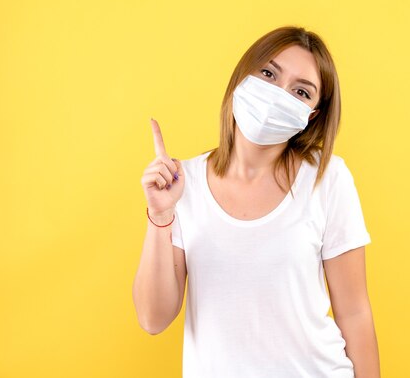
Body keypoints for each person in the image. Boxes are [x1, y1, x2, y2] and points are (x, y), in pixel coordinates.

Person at [133, 26, 381, 378]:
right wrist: (160, 214)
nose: (278, 94)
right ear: (242, 76)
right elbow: (152, 318)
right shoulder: (181, 184)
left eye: (300, 91)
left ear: (311, 114)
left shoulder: (328, 179)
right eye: (267, 73)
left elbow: (355, 312)